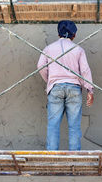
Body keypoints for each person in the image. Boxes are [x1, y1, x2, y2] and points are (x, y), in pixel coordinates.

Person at [37, 20, 94, 150]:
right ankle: (75, 159)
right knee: (74, 126)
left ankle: (51, 158)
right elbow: (85, 70)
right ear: (74, 35)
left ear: (59, 34)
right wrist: (90, 90)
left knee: (53, 125)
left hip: (55, 88)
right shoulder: (78, 49)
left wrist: (50, 81)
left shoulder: (49, 48)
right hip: (74, 89)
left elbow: (40, 66)